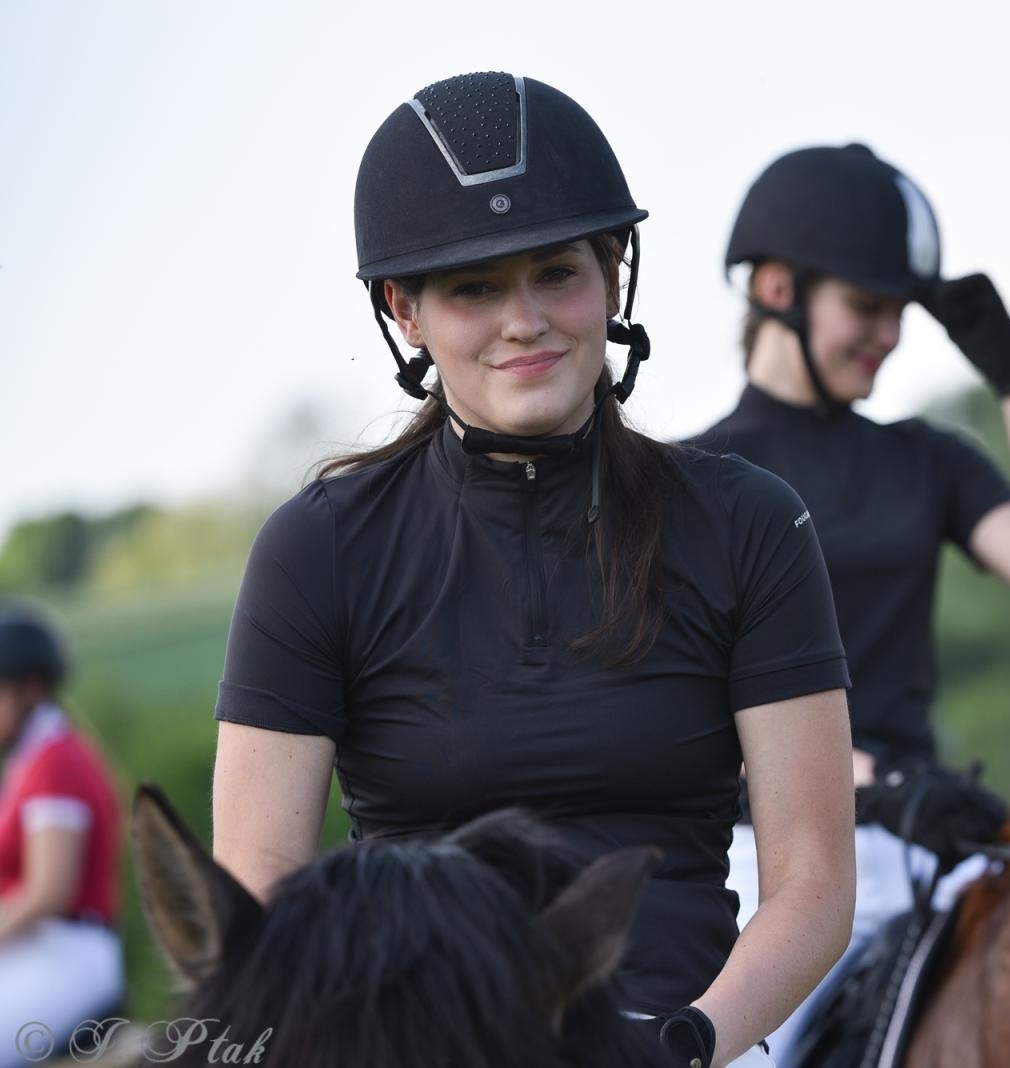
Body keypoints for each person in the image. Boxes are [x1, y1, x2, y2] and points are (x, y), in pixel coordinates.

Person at [210, 73, 856, 1068]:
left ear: (612, 277)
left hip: (681, 1040)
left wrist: (689, 1044)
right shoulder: (317, 549)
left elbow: (813, 882)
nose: (527, 320)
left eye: (557, 272)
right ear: (405, 310)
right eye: (473, 287)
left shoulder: (750, 525)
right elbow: (259, 888)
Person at [689, 143, 1010, 1063]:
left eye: (898, 316)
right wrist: (859, 775)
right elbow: (682, 700)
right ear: (775, 289)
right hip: (760, 857)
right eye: (867, 308)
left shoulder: (928, 460)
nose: (888, 335)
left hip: (931, 841)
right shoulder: (687, 480)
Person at [0, 601, 122, 1066]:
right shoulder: (34, 760)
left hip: (65, 954)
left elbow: (50, 890)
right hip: (36, 947)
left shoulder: (56, 764)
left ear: (30, 690)